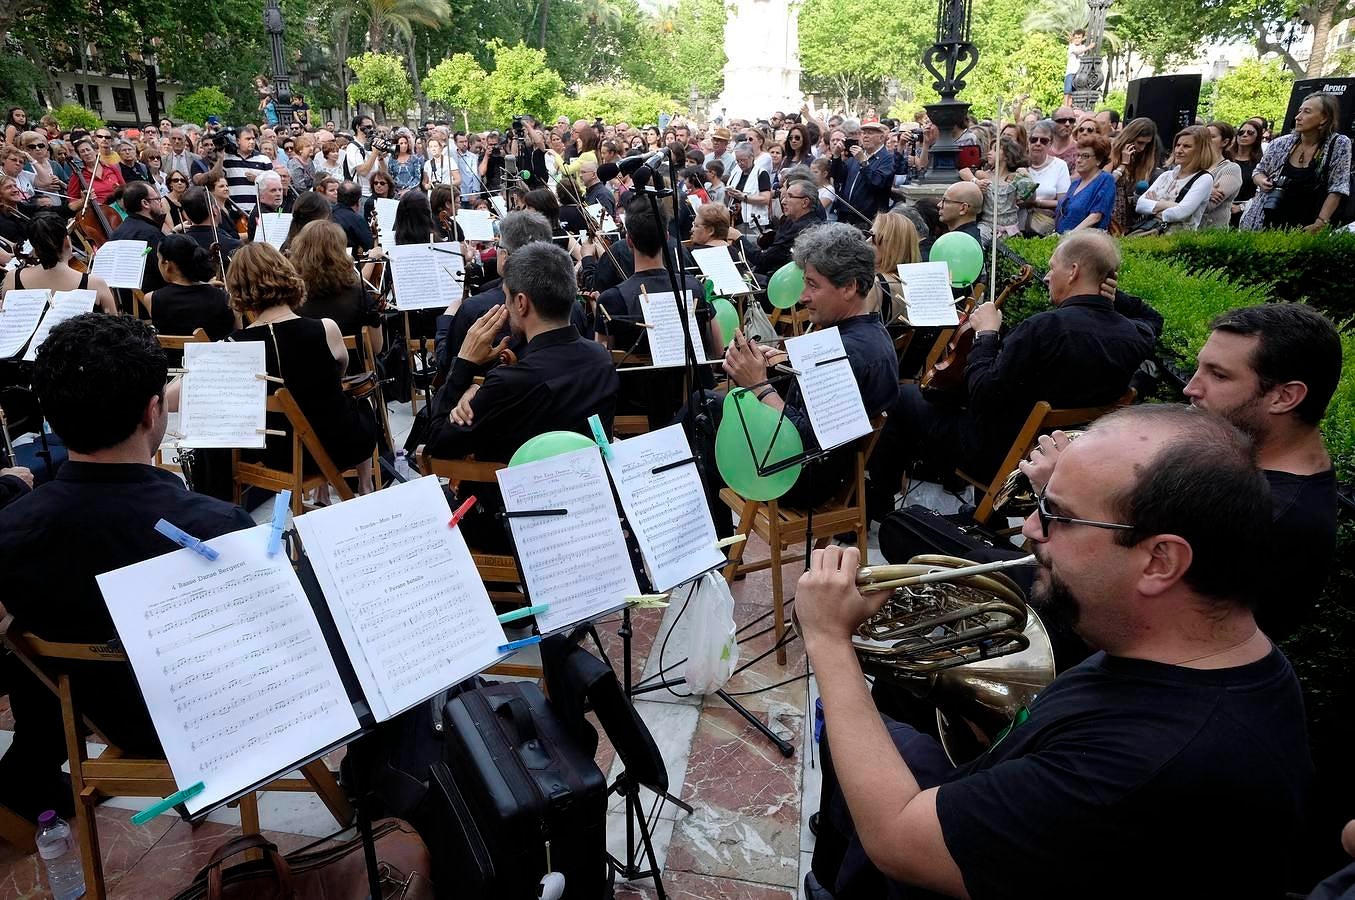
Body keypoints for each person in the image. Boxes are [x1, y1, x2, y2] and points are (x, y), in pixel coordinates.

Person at [804, 404, 1311, 900]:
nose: (1029, 529)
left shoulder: (1150, 764)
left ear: (1161, 560)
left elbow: (899, 840)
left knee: (850, 733)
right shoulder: (1198, 652)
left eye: (1058, 516)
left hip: (927, 849)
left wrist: (829, 640)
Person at [0, 314, 255, 822]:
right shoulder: (217, 527)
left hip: (96, 719)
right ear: (153, 410)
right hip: (209, 721)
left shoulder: (10, 529)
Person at [870, 230, 1160, 501]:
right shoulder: (1134, 334)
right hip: (1061, 457)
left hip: (1002, 458)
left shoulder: (1044, 328)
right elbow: (1153, 319)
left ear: (1072, 272)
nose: (1047, 277)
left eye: (1052, 267)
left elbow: (983, 393)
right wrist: (1111, 294)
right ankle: (982, 513)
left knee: (905, 398)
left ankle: (880, 498)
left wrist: (986, 334)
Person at [425, 241, 618, 550]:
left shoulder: (512, 381)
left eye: (505, 298)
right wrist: (481, 389)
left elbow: (436, 444)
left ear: (521, 303)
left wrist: (463, 365)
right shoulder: (600, 358)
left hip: (513, 524)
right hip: (586, 509)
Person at [1181, 304, 1340, 639]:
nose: (1191, 388)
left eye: (1219, 375)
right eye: (1199, 368)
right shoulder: (1254, 459)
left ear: (1285, 397)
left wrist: (1066, 499)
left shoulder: (1269, 516)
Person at [719, 222, 898, 509]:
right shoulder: (871, 332)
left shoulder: (843, 351)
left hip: (801, 478)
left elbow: (805, 439)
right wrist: (781, 362)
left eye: (813, 285)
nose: (802, 296)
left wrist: (758, 385)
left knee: (706, 414)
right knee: (712, 406)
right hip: (831, 471)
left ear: (849, 287)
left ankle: (707, 538)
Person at [223, 243, 377, 492]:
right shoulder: (326, 328)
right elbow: (340, 373)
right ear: (287, 274)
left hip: (276, 455)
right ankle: (365, 483)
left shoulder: (232, 345)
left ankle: (325, 491)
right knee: (357, 401)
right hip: (336, 447)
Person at [1241, 92, 1352, 232]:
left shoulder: (1338, 144)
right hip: (1267, 220)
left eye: (1307, 112)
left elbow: (1338, 187)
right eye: (1299, 111)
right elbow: (1258, 171)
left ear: (1324, 118)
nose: (1298, 117)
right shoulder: (1280, 143)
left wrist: (1320, 223)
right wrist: (1262, 181)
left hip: (1307, 225)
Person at [291, 219, 384, 372]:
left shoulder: (292, 298)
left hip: (308, 380)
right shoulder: (357, 295)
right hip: (355, 377)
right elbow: (376, 347)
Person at [142, 233, 236, 341]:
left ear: (167, 264)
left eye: (159, 258)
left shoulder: (151, 298)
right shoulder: (222, 297)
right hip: (215, 356)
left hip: (172, 357)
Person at [1135, 125, 1216, 233]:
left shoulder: (1204, 179)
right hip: (1151, 233)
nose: (1179, 150)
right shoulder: (1166, 175)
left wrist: (1155, 205)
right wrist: (1170, 205)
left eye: (1186, 146)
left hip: (1177, 240)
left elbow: (1181, 212)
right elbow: (1140, 204)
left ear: (1201, 150)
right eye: (1178, 145)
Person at [830, 121, 895, 229]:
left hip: (868, 219)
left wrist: (864, 163)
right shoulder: (856, 156)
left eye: (870, 133)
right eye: (863, 133)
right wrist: (836, 157)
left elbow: (877, 183)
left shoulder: (887, 158)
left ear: (881, 137)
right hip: (845, 216)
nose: (865, 136)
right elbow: (838, 178)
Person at [1105, 117, 1160, 234]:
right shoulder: (1110, 148)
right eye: (1139, 142)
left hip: (1124, 211)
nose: (1142, 148)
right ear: (1129, 137)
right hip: (1106, 205)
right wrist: (1123, 164)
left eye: (1146, 144)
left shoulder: (1142, 158)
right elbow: (1104, 182)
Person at [868, 210, 922, 321]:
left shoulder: (876, 284)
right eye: (868, 234)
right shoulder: (917, 282)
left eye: (874, 238)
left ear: (891, 245)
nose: (867, 241)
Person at [1056, 134, 1116, 232]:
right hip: (1062, 240)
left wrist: (1070, 235)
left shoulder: (1105, 180)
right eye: (1078, 155)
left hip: (1086, 241)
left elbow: (1096, 215)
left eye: (1085, 156)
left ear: (1099, 160)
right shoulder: (1074, 184)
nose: (1079, 160)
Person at [1020, 121, 1069, 236]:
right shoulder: (1019, 164)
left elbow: (1063, 202)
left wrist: (1038, 203)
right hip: (1017, 224)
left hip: (1045, 224)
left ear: (1050, 143)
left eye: (1043, 141)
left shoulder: (1060, 166)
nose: (1038, 143)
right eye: (1034, 139)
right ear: (1028, 141)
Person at [1202, 121, 1243, 229]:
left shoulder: (1231, 169)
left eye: (1212, 137)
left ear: (1224, 142)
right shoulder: (1194, 165)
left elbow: (1209, 205)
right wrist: (1206, 191)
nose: (1206, 140)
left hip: (1210, 234)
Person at [222, 125, 272, 215]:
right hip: (234, 211)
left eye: (253, 138)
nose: (252, 142)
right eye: (248, 139)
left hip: (257, 211)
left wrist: (258, 179)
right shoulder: (226, 159)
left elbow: (273, 183)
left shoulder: (264, 159)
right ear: (238, 141)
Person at [66, 137, 123, 209]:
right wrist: (84, 200)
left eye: (88, 149)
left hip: (117, 208)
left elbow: (125, 189)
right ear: (80, 156)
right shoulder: (78, 174)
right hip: (95, 211)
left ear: (96, 151)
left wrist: (119, 190)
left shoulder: (111, 168)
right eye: (82, 151)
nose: (86, 153)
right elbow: (72, 206)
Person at [727, 142, 774, 229]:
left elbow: (766, 199)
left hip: (754, 223)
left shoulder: (761, 173)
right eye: (737, 161)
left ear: (751, 157)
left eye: (743, 160)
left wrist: (744, 197)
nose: (740, 163)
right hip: (735, 220)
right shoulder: (736, 173)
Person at [1231, 117, 1265, 226]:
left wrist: (1240, 207)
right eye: (1241, 132)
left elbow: (1261, 194)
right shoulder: (1226, 158)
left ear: (1257, 137)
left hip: (1243, 215)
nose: (1244, 135)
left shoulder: (1260, 164)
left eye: (1250, 133)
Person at [343, 115, 383, 197]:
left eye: (372, 127)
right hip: (362, 193)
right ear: (358, 127)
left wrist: (381, 157)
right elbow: (363, 171)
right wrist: (375, 153)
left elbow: (384, 172)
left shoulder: (371, 145)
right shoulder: (353, 147)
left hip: (376, 191)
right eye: (368, 127)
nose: (371, 130)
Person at [332, 180, 376, 255]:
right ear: (359, 201)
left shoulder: (326, 213)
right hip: (348, 262)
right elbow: (369, 246)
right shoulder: (356, 220)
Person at [245, 170, 286, 242]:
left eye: (280, 189)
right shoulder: (261, 214)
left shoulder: (274, 209)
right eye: (273, 190)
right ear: (261, 194)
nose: (278, 194)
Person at [387, 132, 424, 196]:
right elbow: (390, 177)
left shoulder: (414, 158)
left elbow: (417, 177)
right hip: (397, 192)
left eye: (405, 143)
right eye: (401, 143)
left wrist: (408, 190)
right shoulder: (392, 159)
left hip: (413, 192)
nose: (404, 145)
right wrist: (397, 191)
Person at [1063, 29, 1087, 104]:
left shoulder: (1083, 47)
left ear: (1082, 38)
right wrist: (1089, 47)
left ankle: (1070, 108)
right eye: (1075, 38)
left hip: (1079, 74)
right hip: (1071, 72)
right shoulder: (1071, 46)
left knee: (1074, 94)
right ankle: (1065, 108)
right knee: (1067, 92)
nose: (1077, 39)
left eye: (1079, 38)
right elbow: (1077, 52)